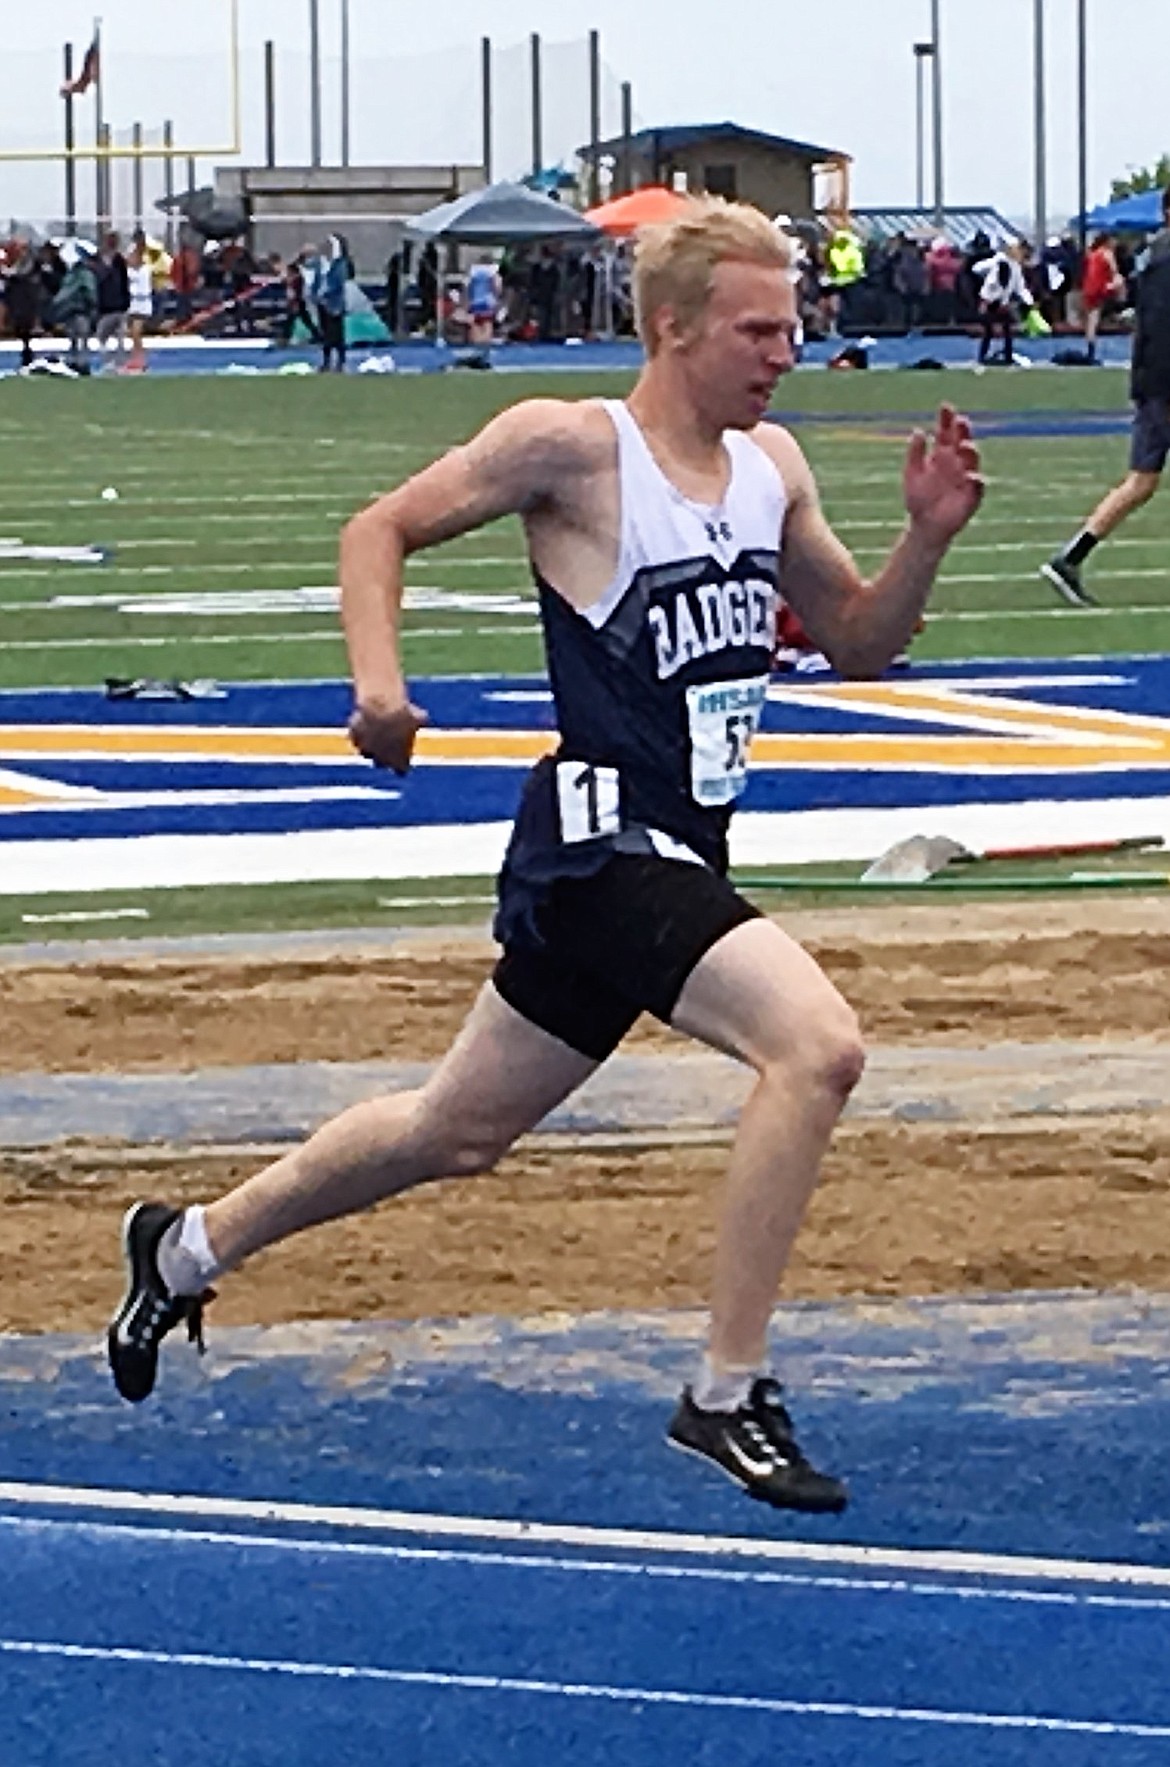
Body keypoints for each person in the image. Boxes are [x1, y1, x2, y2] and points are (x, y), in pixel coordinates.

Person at [106, 197, 982, 1513]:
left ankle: (180, 1248)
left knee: (451, 1129)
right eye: (755, 329)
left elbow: (856, 640)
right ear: (673, 326)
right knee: (817, 1046)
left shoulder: (772, 470)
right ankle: (725, 1387)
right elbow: (376, 528)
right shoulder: (573, 448)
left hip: (677, 849)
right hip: (596, 843)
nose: (782, 351)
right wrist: (380, 690)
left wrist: (925, 535)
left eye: (791, 328)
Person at [1042, 188, 1170, 608]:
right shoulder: (1164, 258)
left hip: (1154, 380)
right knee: (1140, 482)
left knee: (1141, 482)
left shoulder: (1154, 255)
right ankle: (1069, 558)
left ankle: (1071, 557)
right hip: (1164, 381)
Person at [973, 239, 1034, 365]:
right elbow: (977, 268)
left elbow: (1020, 288)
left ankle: (1007, 356)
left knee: (1007, 329)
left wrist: (1029, 301)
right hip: (990, 301)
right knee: (988, 330)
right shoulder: (999, 261)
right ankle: (981, 357)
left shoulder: (1016, 267)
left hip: (1002, 302)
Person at [1079, 232, 1124, 362]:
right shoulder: (1107, 254)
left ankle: (1090, 349)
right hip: (1100, 288)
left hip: (1089, 288)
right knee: (1120, 281)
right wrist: (1116, 286)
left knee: (1091, 319)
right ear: (1108, 241)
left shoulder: (1092, 254)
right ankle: (1121, 308)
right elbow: (1114, 272)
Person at [94, 230, 130, 371]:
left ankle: (120, 365)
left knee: (120, 339)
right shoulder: (97, 260)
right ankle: (108, 363)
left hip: (119, 307)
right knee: (101, 337)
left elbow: (124, 282)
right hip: (105, 307)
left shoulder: (119, 261)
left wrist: (126, 302)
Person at [125, 238, 153, 372]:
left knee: (136, 332)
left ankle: (140, 360)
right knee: (131, 333)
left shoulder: (145, 270)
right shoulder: (128, 271)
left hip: (142, 304)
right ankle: (135, 357)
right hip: (132, 303)